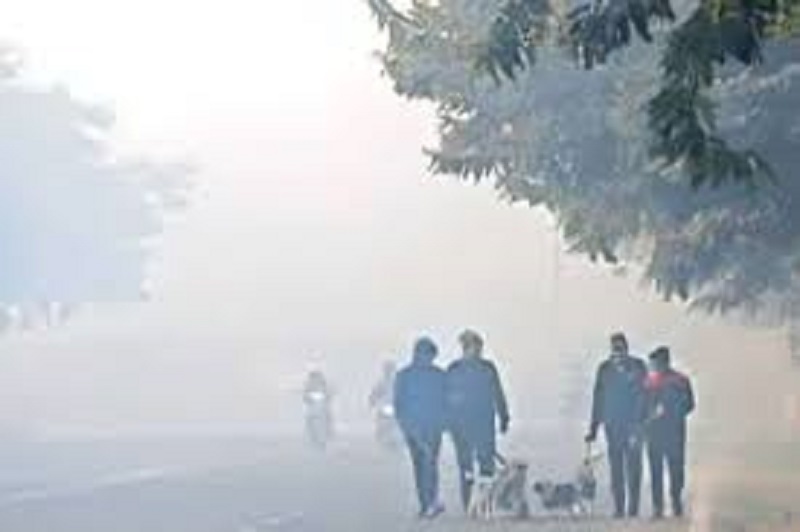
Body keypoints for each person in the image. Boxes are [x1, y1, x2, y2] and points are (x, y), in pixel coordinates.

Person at [585, 332, 648, 518]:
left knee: (634, 467)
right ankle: (619, 507)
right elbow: (598, 399)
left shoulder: (638, 367)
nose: (618, 352)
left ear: (626, 348)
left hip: (634, 424)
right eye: (615, 348)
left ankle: (633, 507)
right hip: (612, 426)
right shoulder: (604, 369)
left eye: (620, 348)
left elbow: (645, 396)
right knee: (616, 468)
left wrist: (642, 423)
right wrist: (593, 428)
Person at [446, 329, 510, 510]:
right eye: (474, 347)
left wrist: (504, 416)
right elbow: (445, 397)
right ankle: (468, 503)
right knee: (465, 466)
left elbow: (498, 393)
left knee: (486, 465)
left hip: (483, 423)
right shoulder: (454, 369)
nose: (478, 350)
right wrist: (447, 421)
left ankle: (485, 502)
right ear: (465, 348)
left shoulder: (488, 368)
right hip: (461, 425)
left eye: (479, 347)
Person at [394, 338, 447, 519]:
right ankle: (428, 502)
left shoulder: (436, 375)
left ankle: (428, 502)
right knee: (424, 464)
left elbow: (446, 400)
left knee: (427, 463)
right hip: (417, 428)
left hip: (428, 427)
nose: (429, 358)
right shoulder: (407, 376)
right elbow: (399, 404)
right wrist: (405, 425)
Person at [644, 346, 695, 519]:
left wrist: (669, 411)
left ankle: (675, 500)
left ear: (664, 362)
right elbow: (642, 406)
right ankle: (658, 506)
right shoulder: (648, 382)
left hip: (673, 432)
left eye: (655, 363)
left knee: (675, 469)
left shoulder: (680, 381)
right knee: (657, 470)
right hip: (656, 433)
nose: (653, 366)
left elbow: (689, 404)